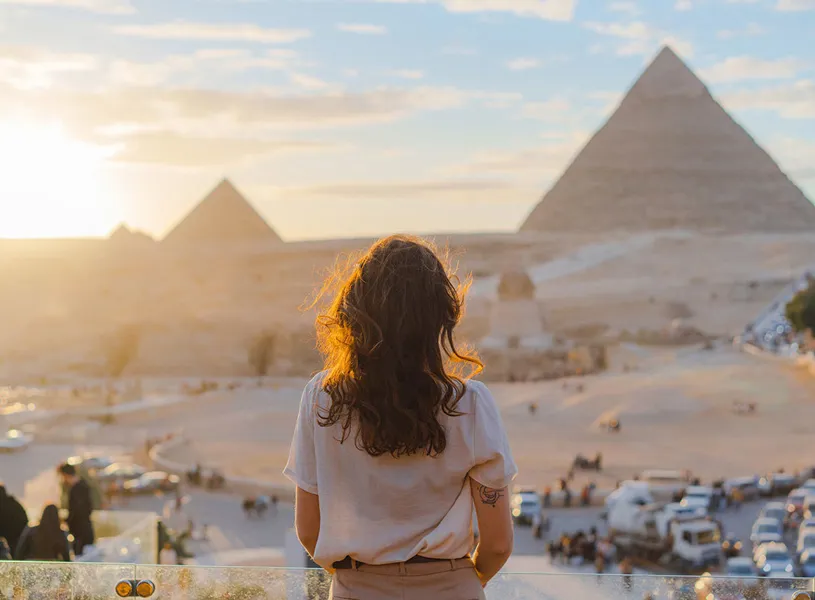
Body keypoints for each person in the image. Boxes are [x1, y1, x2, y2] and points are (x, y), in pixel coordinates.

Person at [284, 235, 517, 599]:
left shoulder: (321, 398)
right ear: (442, 315)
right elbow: (498, 544)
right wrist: (462, 581)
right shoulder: (471, 404)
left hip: (358, 589)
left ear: (354, 310)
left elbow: (309, 530)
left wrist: (365, 578)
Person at [58, 463, 94, 556]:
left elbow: (77, 512)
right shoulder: (83, 485)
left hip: (80, 534)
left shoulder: (77, 489)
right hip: (84, 531)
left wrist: (67, 520)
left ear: (66, 475)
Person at [0, 484, 28, 557]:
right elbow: (25, 520)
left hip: (14, 538)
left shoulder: (12, 504)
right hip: (15, 538)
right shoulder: (14, 504)